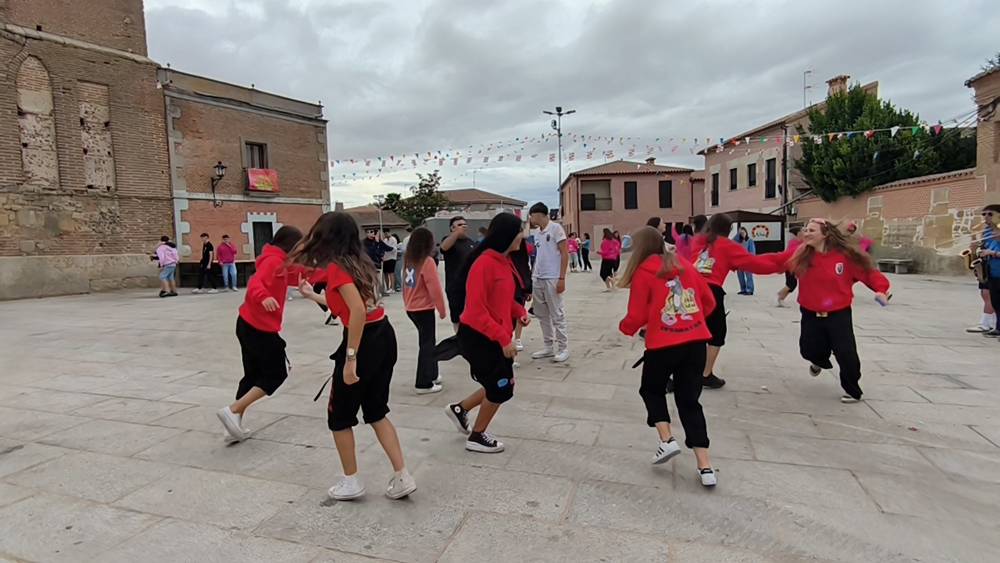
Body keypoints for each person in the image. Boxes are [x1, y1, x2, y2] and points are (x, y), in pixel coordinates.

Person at [293, 211, 416, 501]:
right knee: (376, 410)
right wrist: (313, 295)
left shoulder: (337, 266)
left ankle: (351, 481)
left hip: (363, 341)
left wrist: (351, 359)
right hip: (383, 335)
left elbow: (357, 312)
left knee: (339, 416)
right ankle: (402, 475)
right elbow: (350, 304)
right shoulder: (360, 262)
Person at [618, 226, 718, 487]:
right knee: (690, 402)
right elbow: (708, 301)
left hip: (663, 344)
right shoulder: (684, 265)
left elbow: (636, 315)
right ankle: (705, 466)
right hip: (695, 342)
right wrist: (693, 323)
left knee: (651, 389)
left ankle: (667, 439)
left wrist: (626, 328)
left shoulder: (643, 272)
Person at [753, 219, 891, 402]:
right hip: (810, 313)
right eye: (805, 230)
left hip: (839, 314)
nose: (806, 233)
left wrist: (881, 290)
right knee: (808, 350)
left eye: (811, 230)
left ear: (825, 234)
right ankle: (819, 360)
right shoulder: (800, 254)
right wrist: (743, 262)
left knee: (846, 354)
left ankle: (852, 390)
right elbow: (775, 261)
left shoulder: (845, 256)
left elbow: (869, 273)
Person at [444, 212, 530, 453]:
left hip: (494, 335)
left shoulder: (503, 261)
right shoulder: (484, 264)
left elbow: (502, 298)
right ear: (508, 235)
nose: (523, 237)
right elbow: (475, 312)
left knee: (499, 383)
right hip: (479, 337)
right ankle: (477, 436)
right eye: (520, 232)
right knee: (501, 387)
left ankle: (460, 409)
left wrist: (519, 311)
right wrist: (503, 339)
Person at [216, 226, 304, 443]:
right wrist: (264, 296)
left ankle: (233, 425)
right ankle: (233, 410)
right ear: (290, 245)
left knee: (252, 375)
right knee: (277, 373)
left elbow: (298, 273)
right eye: (299, 246)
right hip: (259, 328)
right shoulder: (273, 261)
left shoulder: (278, 260)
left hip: (247, 324)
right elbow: (255, 283)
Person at [690, 214, 778, 389]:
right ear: (728, 229)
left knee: (689, 331)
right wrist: (784, 262)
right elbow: (756, 263)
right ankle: (705, 374)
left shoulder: (698, 242)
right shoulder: (726, 245)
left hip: (691, 288)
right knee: (717, 333)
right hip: (711, 292)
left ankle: (676, 373)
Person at [402, 227, 447, 394]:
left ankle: (432, 374)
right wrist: (442, 309)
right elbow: (434, 288)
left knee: (427, 342)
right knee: (427, 345)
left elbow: (407, 286)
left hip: (412, 308)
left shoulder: (409, 260)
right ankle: (423, 383)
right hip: (423, 309)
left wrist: (407, 303)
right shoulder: (427, 262)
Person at [528, 203, 570, 363]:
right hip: (538, 277)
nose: (531, 219)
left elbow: (564, 253)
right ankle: (548, 346)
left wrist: (562, 278)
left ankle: (563, 348)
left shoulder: (556, 229)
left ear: (539, 214)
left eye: (532, 216)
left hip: (552, 277)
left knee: (557, 314)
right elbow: (539, 255)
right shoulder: (537, 233)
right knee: (542, 314)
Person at [440, 216, 478, 332]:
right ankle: (458, 338)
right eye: (459, 225)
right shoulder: (449, 240)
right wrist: (456, 233)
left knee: (472, 315)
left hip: (471, 285)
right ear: (452, 228)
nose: (463, 226)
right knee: (457, 317)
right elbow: (444, 248)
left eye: (465, 224)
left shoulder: (471, 242)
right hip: (455, 286)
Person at [975, 204, 1000, 337]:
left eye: (990, 214)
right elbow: (984, 247)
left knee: (994, 298)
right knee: (993, 299)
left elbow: (993, 250)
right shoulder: (987, 232)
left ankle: (989, 324)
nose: (986, 217)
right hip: (990, 269)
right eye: (984, 214)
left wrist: (992, 253)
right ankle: (995, 326)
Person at [510, 239, 533, 357]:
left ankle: (517, 338)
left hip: (519, 285)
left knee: (520, 310)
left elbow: (525, 266)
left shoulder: (521, 251)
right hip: (507, 283)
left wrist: (529, 288)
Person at [777, 226, 804, 307]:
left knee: (792, 284)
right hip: (790, 267)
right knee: (791, 284)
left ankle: (781, 295)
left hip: (795, 267)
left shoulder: (800, 242)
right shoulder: (793, 243)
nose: (804, 232)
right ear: (798, 233)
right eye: (803, 231)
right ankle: (780, 297)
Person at [734, 227, 756, 296]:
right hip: (739, 261)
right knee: (740, 276)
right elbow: (731, 241)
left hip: (747, 261)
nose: (742, 234)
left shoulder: (749, 240)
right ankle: (743, 289)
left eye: (743, 232)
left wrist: (751, 259)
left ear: (746, 232)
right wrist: (737, 234)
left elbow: (752, 251)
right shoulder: (737, 241)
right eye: (741, 233)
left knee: (749, 275)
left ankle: (750, 289)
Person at [381, 231, 398, 295]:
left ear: (389, 233)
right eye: (385, 233)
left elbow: (393, 249)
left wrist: (387, 248)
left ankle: (392, 288)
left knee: (391, 273)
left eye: (387, 233)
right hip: (385, 258)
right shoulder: (384, 240)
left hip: (392, 258)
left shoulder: (393, 239)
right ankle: (388, 288)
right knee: (385, 273)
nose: (386, 234)